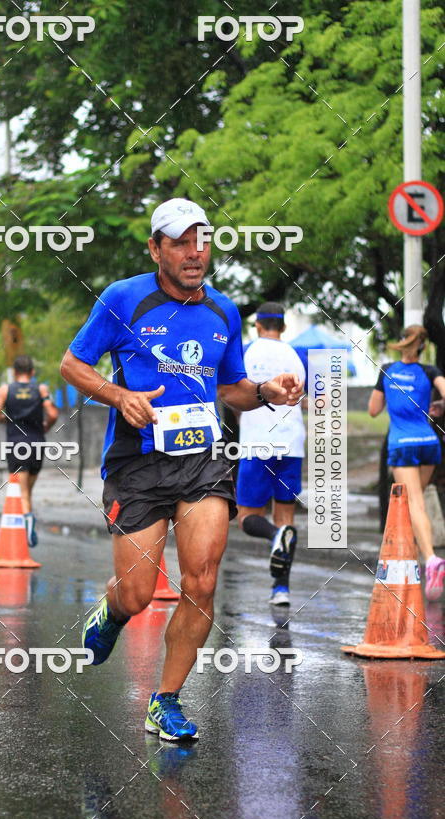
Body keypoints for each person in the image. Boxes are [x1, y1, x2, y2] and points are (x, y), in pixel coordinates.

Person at [60, 197, 303, 741]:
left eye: (203, 240)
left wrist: (266, 392)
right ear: (156, 248)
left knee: (202, 578)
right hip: (138, 463)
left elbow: (230, 387)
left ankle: (164, 700)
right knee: (139, 592)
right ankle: (114, 611)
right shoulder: (124, 299)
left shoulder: (223, 310)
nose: (195, 252)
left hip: (203, 460)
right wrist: (119, 395)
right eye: (180, 242)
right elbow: (72, 364)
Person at [236, 302, 306, 608]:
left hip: (256, 444)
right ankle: (281, 589)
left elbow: (233, 394)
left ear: (258, 325)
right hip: (292, 443)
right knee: (286, 517)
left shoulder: (246, 353)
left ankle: (274, 537)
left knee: (248, 517)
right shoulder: (295, 355)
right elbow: (308, 399)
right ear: (283, 326)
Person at [368, 325, 445, 600]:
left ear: (402, 342)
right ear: (424, 346)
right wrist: (440, 407)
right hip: (428, 443)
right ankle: (410, 563)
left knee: (414, 504)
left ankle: (432, 560)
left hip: (402, 445)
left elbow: (373, 410)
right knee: (417, 504)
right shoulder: (430, 372)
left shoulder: (387, 370)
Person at [0, 355, 59, 547]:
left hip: (16, 444)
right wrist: (45, 426)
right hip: (37, 443)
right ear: (32, 372)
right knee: (28, 490)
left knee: (23, 493)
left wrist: (7, 418)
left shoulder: (5, 390)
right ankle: (26, 522)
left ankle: (27, 524)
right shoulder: (41, 389)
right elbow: (53, 413)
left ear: (14, 372)